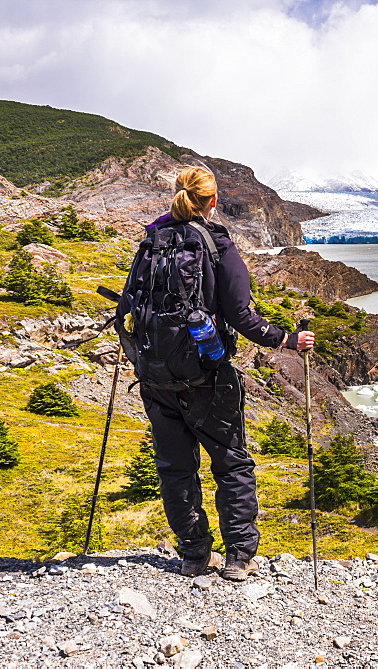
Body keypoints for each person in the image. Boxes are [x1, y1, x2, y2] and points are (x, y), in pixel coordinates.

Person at [131, 166, 313, 580]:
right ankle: (237, 557)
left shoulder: (151, 242)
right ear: (213, 201)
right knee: (231, 463)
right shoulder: (217, 246)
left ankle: (194, 554)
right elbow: (241, 315)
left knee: (175, 468)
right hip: (207, 375)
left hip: (156, 376)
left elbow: (130, 307)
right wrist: (286, 340)